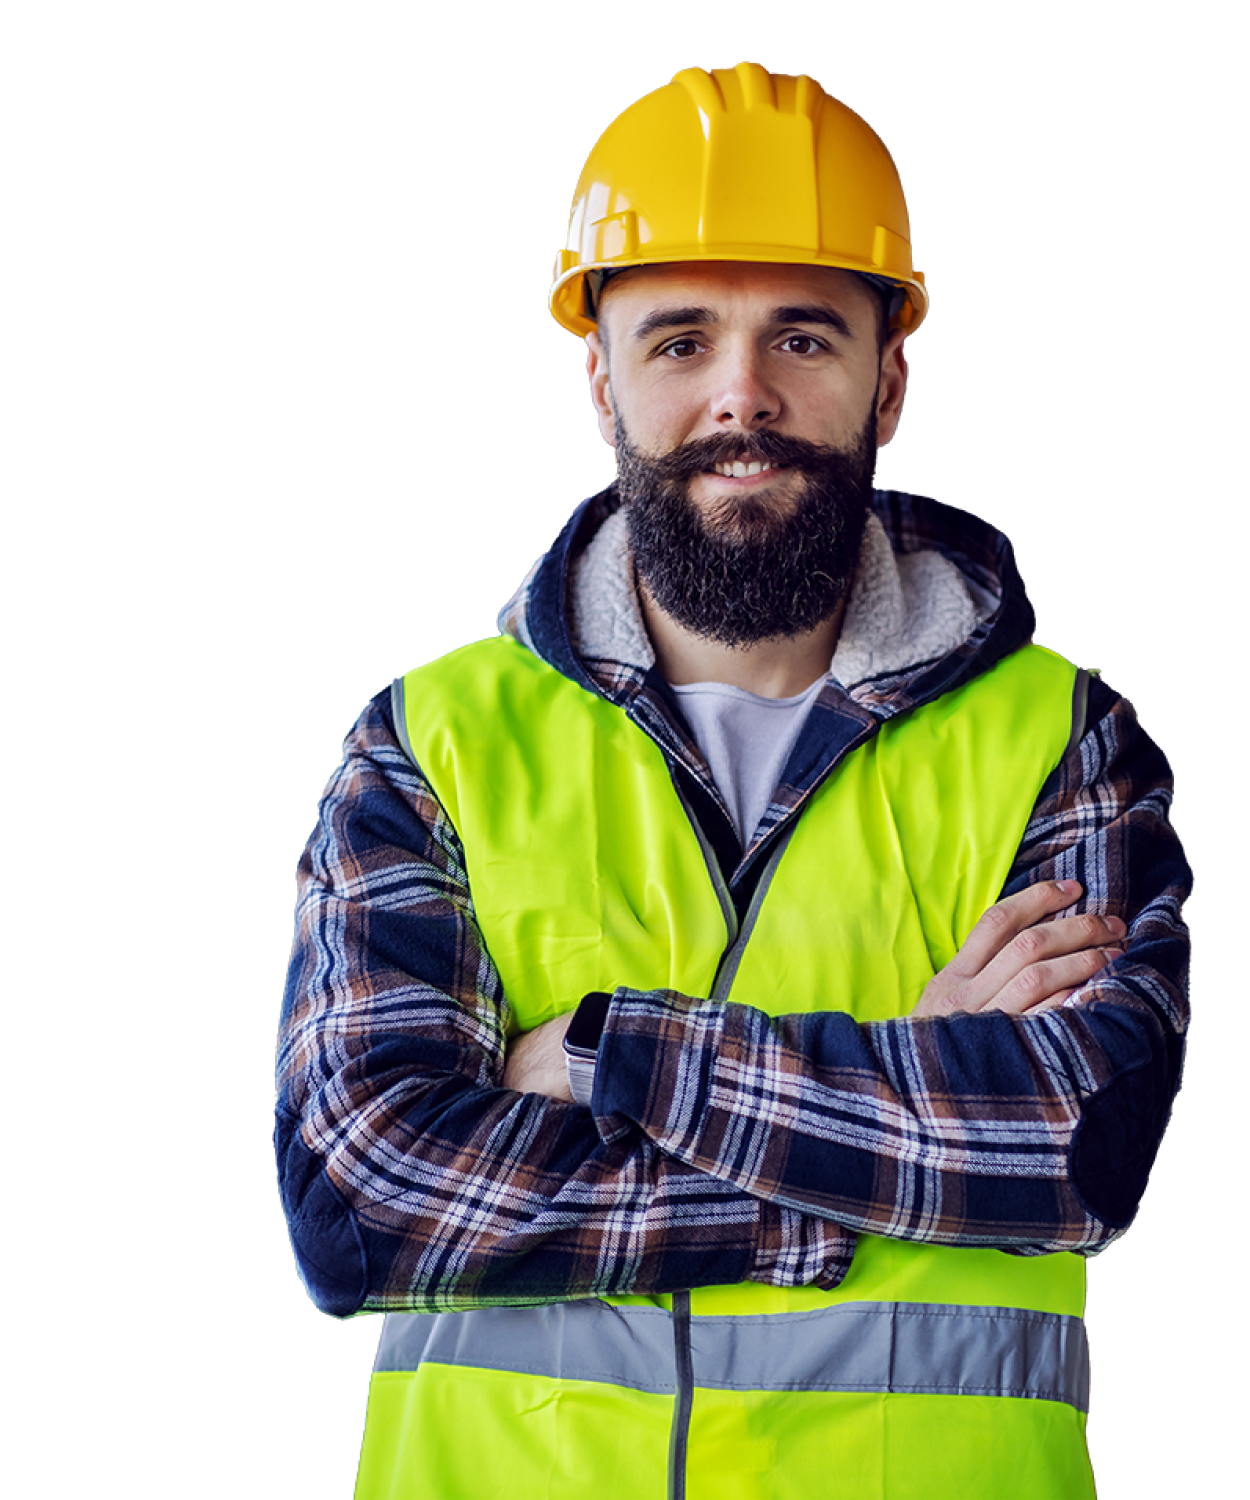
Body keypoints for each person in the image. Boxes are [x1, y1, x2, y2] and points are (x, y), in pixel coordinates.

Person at [276, 61, 1192, 1500]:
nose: (741, 397)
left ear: (887, 378)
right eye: (682, 340)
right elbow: (362, 1202)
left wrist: (596, 1054)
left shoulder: (1062, 735)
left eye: (804, 339)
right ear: (602, 381)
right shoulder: (431, 740)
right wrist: (887, 1115)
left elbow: (1072, 1148)